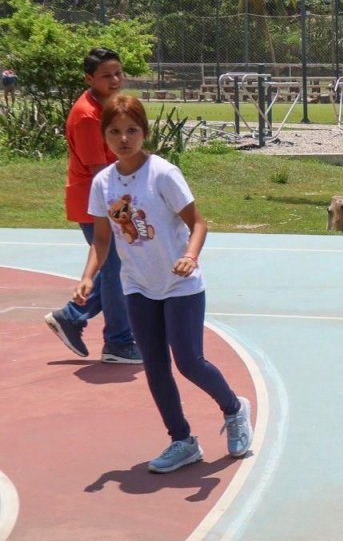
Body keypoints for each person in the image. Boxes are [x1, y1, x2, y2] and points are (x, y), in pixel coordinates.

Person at [70, 95, 253, 473]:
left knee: (189, 362)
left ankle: (234, 408)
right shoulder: (103, 183)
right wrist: (88, 276)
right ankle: (182, 440)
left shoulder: (163, 174)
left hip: (179, 284)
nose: (124, 139)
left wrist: (190, 255)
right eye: (115, 132)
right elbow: (101, 239)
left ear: (145, 132)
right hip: (138, 285)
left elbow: (198, 222)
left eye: (132, 130)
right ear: (104, 135)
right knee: (155, 365)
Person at [44, 47, 141, 364]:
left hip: (111, 197)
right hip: (95, 201)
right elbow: (101, 172)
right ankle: (118, 342)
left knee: (116, 267)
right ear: (89, 79)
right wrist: (125, 209)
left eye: (118, 73)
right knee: (115, 271)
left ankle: (71, 316)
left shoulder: (108, 105)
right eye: (106, 75)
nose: (115, 80)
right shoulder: (87, 115)